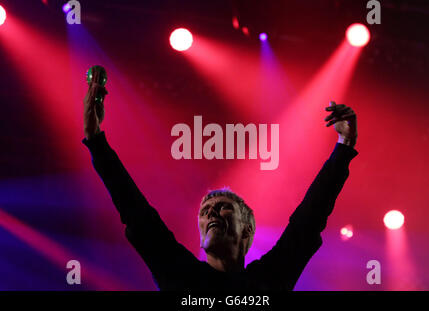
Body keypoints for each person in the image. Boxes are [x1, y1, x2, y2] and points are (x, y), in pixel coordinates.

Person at [82, 68, 358, 291]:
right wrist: (96, 141)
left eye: (223, 206)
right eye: (204, 211)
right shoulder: (179, 273)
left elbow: (308, 220)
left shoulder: (270, 277)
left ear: (247, 230)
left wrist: (344, 147)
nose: (210, 211)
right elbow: (138, 215)